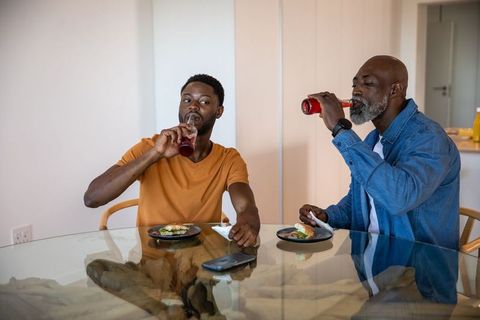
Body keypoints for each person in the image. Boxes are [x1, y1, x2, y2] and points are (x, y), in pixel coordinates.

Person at [299, 55, 460, 250]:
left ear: (394, 90)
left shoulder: (429, 139)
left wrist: (341, 130)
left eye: (367, 83)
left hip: (418, 271)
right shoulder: (372, 140)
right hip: (371, 267)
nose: (356, 90)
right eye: (354, 84)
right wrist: (328, 216)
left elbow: (398, 198)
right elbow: (361, 200)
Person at [84, 74, 260, 247]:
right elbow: (92, 198)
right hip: (152, 262)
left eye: (204, 102)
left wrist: (249, 224)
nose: (193, 107)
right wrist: (155, 154)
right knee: (97, 266)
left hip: (202, 264)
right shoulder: (150, 147)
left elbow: (246, 207)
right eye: (187, 100)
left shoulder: (228, 158)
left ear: (219, 111)